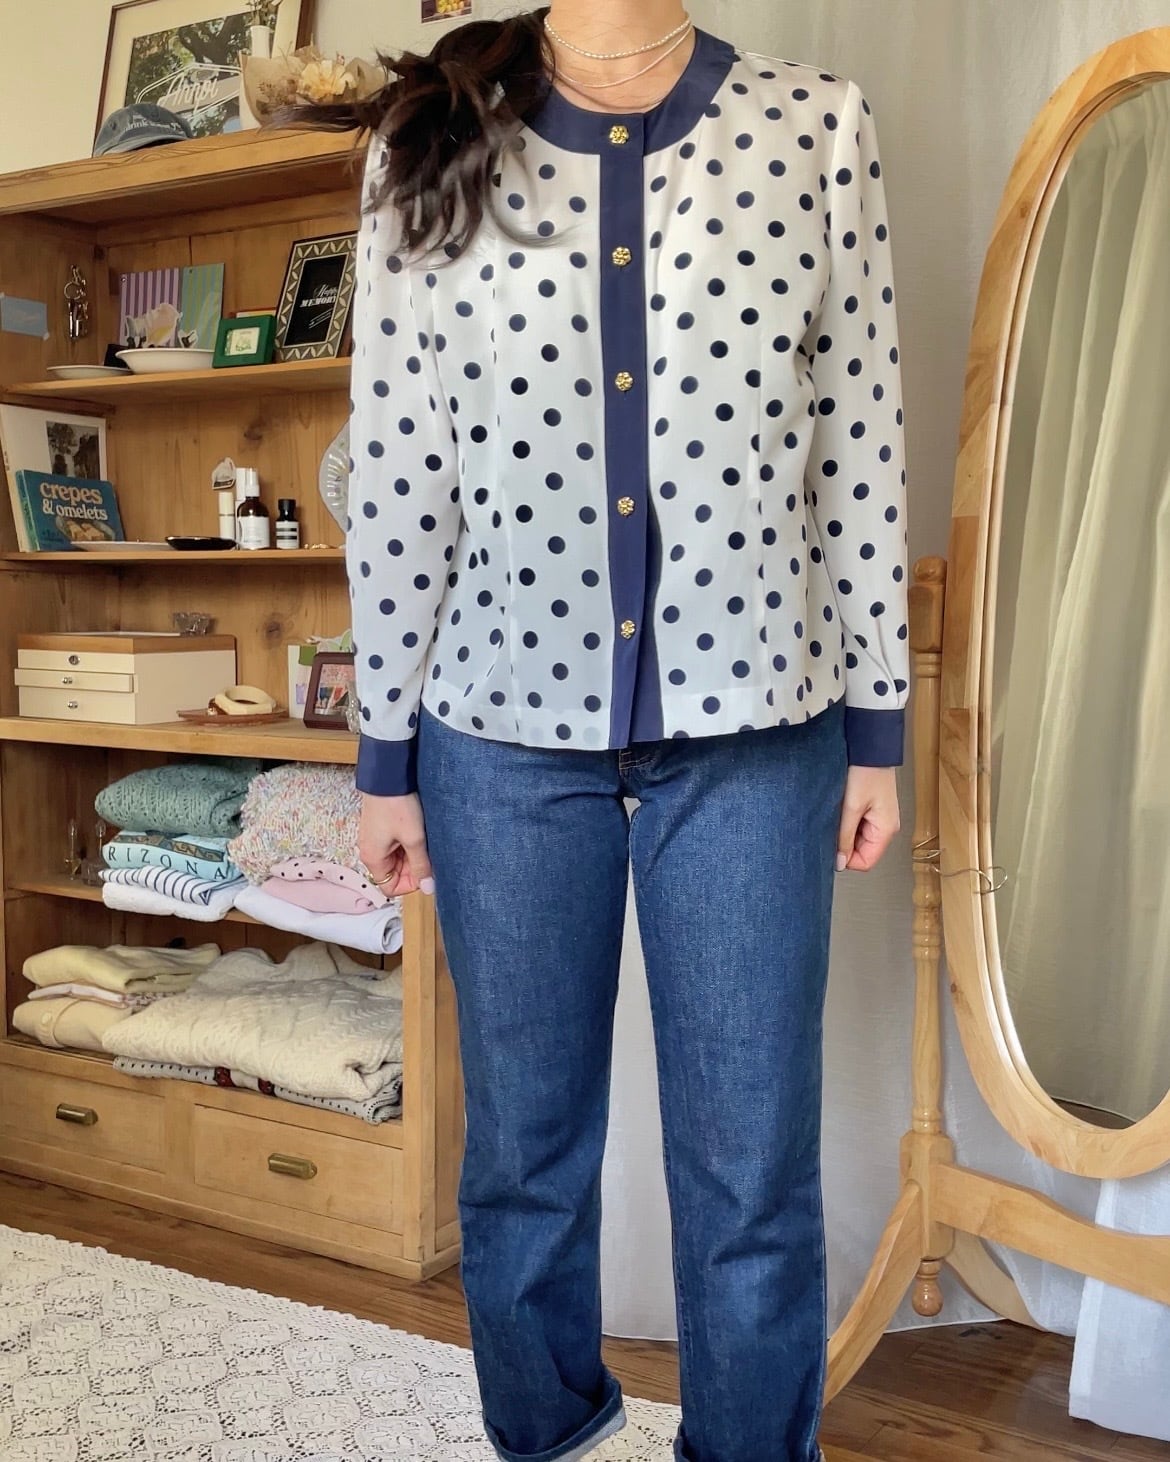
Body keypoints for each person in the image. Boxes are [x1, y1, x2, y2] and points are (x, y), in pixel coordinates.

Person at [309, 3, 909, 1457]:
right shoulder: (429, 136)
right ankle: (551, 1433)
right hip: (499, 730)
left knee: (750, 1167)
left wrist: (878, 725)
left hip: (756, 724)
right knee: (523, 1152)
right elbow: (399, 463)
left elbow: (861, 441)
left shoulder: (815, 126)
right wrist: (384, 756)